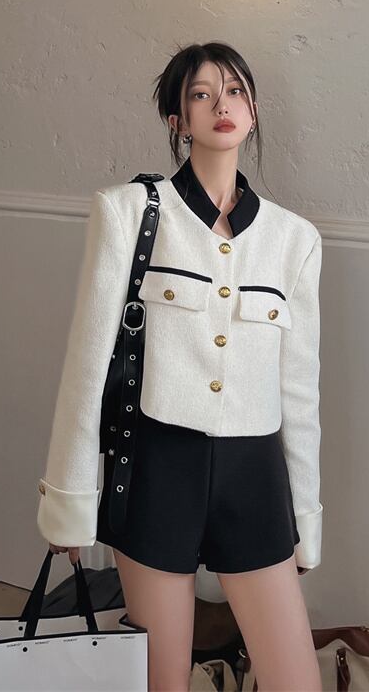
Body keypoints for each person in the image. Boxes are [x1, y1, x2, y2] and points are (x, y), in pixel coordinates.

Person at [37, 41, 323, 691]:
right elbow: (87, 366)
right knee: (163, 681)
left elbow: (299, 392)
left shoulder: (293, 241)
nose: (222, 104)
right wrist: (70, 500)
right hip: (158, 471)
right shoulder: (129, 213)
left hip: (254, 478)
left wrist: (304, 514)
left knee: (295, 681)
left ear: (254, 110)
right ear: (177, 119)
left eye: (235, 91)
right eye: (202, 93)